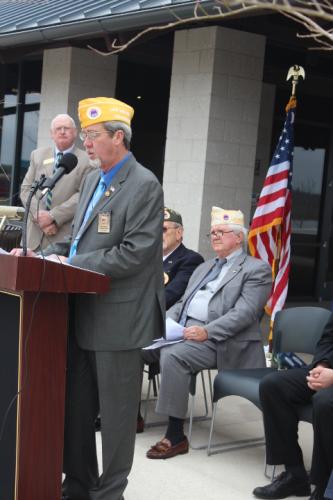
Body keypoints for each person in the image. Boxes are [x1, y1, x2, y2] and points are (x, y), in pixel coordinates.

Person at [13, 97, 165, 500]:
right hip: (79, 312)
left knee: (115, 419)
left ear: (119, 136)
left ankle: (110, 492)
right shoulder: (93, 179)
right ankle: (79, 484)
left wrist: (73, 259)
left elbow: (135, 252)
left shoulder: (144, 184)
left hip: (118, 319)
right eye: (84, 135)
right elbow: (75, 240)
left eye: (93, 135)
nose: (86, 143)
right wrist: (38, 257)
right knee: (77, 411)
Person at [143, 206, 272, 460]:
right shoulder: (205, 267)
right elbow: (181, 304)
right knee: (135, 346)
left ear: (238, 237)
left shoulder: (256, 269)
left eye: (221, 232)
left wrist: (206, 331)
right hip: (186, 332)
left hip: (223, 340)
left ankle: (175, 435)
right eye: (212, 233)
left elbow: (244, 314)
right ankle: (130, 417)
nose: (214, 237)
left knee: (173, 355)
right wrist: (164, 325)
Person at [135, 206, 204, 433]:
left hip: (167, 325)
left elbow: (171, 295)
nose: (158, 234)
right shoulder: (145, 257)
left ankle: (130, 416)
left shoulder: (190, 259)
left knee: (126, 346)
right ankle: (119, 411)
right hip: (138, 320)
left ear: (179, 233)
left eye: (164, 229)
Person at [252, 313, 333, 500]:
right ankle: (295, 475)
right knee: (273, 386)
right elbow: (329, 337)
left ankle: (324, 484)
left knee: (325, 402)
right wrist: (322, 365)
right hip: (328, 369)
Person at [20, 113, 94, 251]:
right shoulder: (37, 155)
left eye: (66, 128)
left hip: (61, 236)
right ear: (51, 134)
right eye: (58, 128)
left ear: (75, 132)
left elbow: (83, 195)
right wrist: (40, 217)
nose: (62, 131)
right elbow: (26, 190)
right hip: (32, 237)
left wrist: (53, 216)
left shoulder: (87, 160)